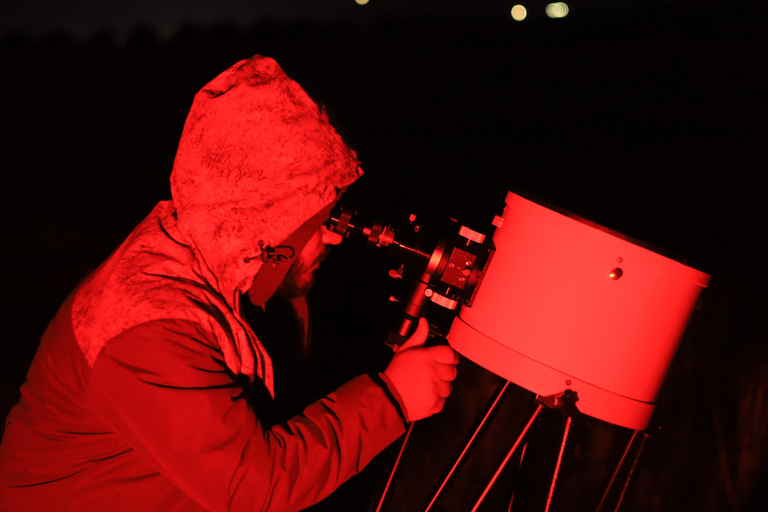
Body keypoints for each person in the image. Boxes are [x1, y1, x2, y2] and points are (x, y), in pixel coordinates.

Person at [0, 55, 459, 511]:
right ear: (265, 219)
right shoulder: (147, 328)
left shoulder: (211, 262)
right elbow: (256, 488)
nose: (335, 235)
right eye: (319, 219)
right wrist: (392, 400)